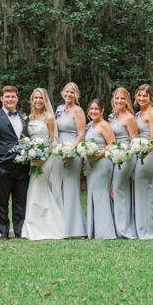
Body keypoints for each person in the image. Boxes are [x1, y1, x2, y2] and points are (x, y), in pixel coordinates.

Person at [0, 85, 29, 240]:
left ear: (17, 98)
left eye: (13, 97)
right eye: (7, 97)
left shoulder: (24, 117)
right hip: (2, 166)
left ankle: (19, 230)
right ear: (2, 99)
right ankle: (3, 231)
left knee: (20, 201)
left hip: (22, 167)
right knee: (2, 202)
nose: (10, 99)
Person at [21, 88, 64, 240]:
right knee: (33, 188)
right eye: (35, 98)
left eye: (41, 98)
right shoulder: (29, 117)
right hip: (33, 159)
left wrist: (44, 157)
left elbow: (53, 141)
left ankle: (45, 226)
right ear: (32, 100)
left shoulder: (49, 117)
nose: (38, 100)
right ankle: (34, 224)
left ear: (45, 100)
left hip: (46, 159)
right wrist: (30, 153)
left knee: (39, 187)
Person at [55, 82, 87, 238]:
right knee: (59, 188)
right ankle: (61, 225)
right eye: (66, 92)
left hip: (72, 151)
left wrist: (70, 152)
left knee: (70, 188)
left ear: (76, 95)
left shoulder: (78, 111)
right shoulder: (59, 110)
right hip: (59, 152)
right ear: (62, 93)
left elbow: (81, 134)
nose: (69, 95)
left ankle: (75, 229)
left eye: (72, 93)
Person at [84, 99, 117, 240]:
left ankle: (105, 231)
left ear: (102, 111)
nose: (93, 111)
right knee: (93, 195)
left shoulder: (104, 125)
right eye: (91, 109)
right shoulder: (90, 125)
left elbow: (112, 143)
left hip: (102, 164)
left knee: (101, 194)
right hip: (92, 166)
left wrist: (99, 154)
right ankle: (93, 230)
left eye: (96, 108)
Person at [133, 84, 153, 239]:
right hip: (140, 153)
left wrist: (145, 152)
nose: (141, 98)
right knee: (140, 189)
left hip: (148, 155)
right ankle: (141, 226)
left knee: (145, 189)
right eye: (139, 95)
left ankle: (149, 229)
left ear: (151, 97)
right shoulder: (139, 113)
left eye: (145, 95)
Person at [108, 87, 138, 239]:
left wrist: (124, 154)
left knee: (118, 190)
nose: (119, 101)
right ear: (113, 99)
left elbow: (135, 141)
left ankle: (123, 229)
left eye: (122, 99)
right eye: (117, 98)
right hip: (114, 157)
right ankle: (116, 226)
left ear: (127, 101)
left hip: (125, 158)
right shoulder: (112, 116)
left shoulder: (129, 118)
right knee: (115, 191)